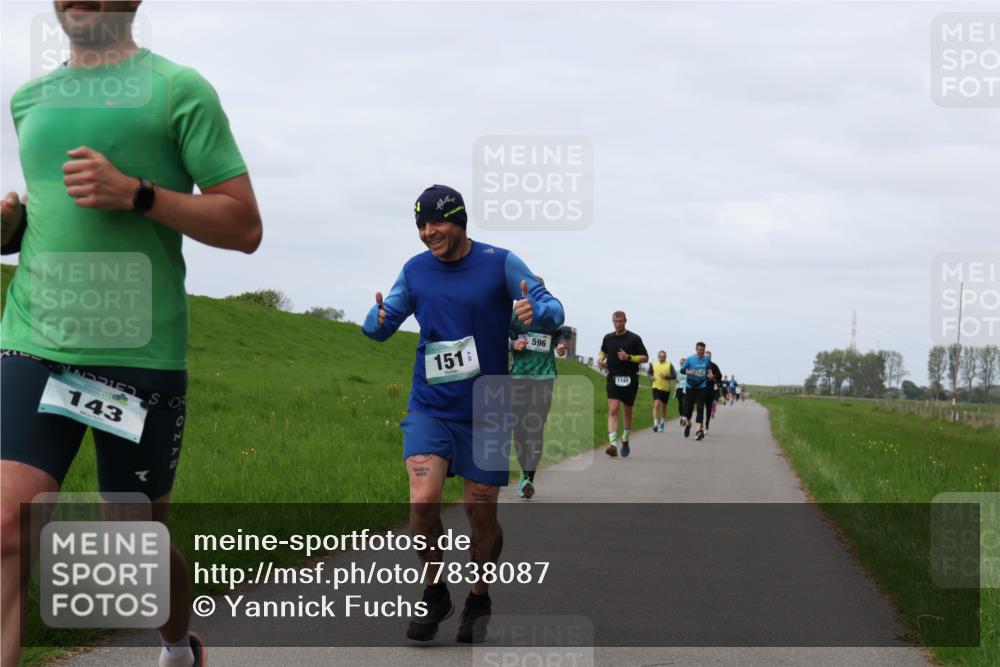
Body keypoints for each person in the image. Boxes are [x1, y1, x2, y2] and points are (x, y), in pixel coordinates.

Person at [1, 4, 262, 666]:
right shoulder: (29, 99)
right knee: (5, 524)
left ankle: (178, 641)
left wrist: (139, 194)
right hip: (34, 341)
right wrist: (11, 230)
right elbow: (53, 215)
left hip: (137, 353)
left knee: (131, 540)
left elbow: (243, 226)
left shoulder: (179, 89)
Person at [363, 184, 564, 643]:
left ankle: (478, 595)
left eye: (435, 222)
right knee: (422, 501)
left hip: (488, 411)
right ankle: (435, 589)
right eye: (420, 224)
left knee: (480, 513)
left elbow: (551, 304)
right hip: (430, 407)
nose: (427, 232)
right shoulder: (415, 271)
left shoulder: (499, 262)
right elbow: (384, 319)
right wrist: (376, 322)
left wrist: (541, 312)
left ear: (459, 220)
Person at [509, 296, 570, 499]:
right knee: (519, 431)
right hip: (518, 377)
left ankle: (527, 478)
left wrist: (560, 345)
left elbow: (560, 333)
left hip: (544, 378)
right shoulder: (514, 316)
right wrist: (513, 344)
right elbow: (498, 338)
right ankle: (524, 474)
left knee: (534, 426)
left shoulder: (549, 316)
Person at [598, 312, 648, 458]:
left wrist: (629, 357)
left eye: (620, 321)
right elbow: (603, 352)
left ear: (625, 321)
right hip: (613, 378)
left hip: (630, 379)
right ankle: (613, 444)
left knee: (627, 411)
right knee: (613, 410)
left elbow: (645, 358)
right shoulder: (608, 338)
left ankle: (625, 439)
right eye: (615, 321)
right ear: (612, 321)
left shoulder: (634, 339)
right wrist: (601, 360)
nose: (618, 324)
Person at [680, 342, 714, 441]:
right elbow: (682, 370)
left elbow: (708, 369)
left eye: (703, 350)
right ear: (696, 349)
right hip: (690, 386)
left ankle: (698, 430)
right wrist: (689, 372)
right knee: (688, 410)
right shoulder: (690, 359)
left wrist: (710, 374)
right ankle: (688, 424)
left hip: (702, 387)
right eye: (699, 350)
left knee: (700, 408)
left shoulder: (706, 359)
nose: (701, 352)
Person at [649, 350, 675, 433]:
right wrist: (651, 377)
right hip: (656, 387)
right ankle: (655, 424)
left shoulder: (669, 364)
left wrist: (666, 377)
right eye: (660, 355)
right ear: (658, 356)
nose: (661, 357)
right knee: (656, 405)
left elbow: (674, 376)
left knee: (663, 407)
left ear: (665, 357)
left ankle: (662, 422)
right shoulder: (653, 364)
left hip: (666, 388)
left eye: (663, 356)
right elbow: (649, 373)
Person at [704, 351, 723, 433]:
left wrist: (713, 377)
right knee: (700, 408)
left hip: (710, 389)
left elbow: (719, 376)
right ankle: (699, 425)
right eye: (706, 356)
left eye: (709, 357)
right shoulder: (700, 365)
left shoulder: (714, 366)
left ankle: (707, 425)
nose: (707, 358)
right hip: (701, 389)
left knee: (708, 408)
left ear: (711, 357)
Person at [675, 357, 688, 426]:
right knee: (680, 403)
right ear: (679, 362)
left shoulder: (688, 370)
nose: (682, 362)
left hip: (686, 388)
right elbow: (675, 379)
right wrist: (676, 380)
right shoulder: (677, 370)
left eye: (683, 361)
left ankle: (684, 418)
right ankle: (681, 417)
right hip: (679, 388)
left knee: (685, 403)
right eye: (681, 361)